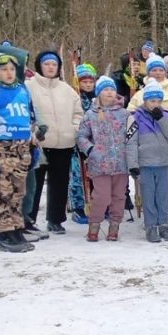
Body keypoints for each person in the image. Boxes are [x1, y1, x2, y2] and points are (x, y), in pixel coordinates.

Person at [0, 49, 38, 252]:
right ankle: (3, 233)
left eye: (12, 69)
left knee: (18, 193)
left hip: (21, 149)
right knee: (1, 193)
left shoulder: (23, 91)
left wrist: (34, 145)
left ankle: (15, 228)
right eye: (4, 69)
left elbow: (31, 121)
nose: (9, 73)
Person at [26, 50, 83, 234]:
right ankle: (28, 219)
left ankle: (56, 220)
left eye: (54, 64)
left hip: (63, 144)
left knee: (59, 184)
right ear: (39, 66)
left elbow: (78, 114)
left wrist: (73, 130)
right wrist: (32, 133)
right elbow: (24, 113)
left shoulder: (66, 89)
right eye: (46, 64)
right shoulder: (28, 87)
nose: (51, 67)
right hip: (38, 144)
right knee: (33, 185)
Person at [128, 54, 168, 226]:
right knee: (150, 181)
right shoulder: (141, 93)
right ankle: (151, 214)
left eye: (161, 69)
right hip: (146, 142)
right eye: (154, 69)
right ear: (148, 72)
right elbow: (131, 112)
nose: (158, 72)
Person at [75, 76, 132, 242]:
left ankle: (114, 225)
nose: (109, 92)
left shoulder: (125, 114)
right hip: (99, 164)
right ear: (98, 93)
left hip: (121, 163)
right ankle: (94, 224)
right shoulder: (90, 115)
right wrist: (91, 150)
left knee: (119, 196)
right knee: (101, 196)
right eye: (105, 89)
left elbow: (132, 135)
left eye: (112, 89)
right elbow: (81, 137)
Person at [126, 81, 168, 243]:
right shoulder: (134, 118)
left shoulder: (166, 115)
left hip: (164, 162)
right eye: (152, 101)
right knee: (149, 196)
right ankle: (150, 226)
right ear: (145, 100)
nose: (155, 104)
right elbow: (130, 143)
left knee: (162, 196)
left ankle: (163, 225)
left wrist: (162, 119)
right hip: (146, 163)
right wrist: (133, 165)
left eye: (158, 101)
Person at [69, 63, 97, 225]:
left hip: (94, 143)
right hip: (77, 144)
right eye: (83, 81)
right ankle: (79, 207)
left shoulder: (96, 98)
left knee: (94, 176)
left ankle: (96, 204)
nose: (87, 84)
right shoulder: (75, 98)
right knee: (78, 176)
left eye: (90, 81)